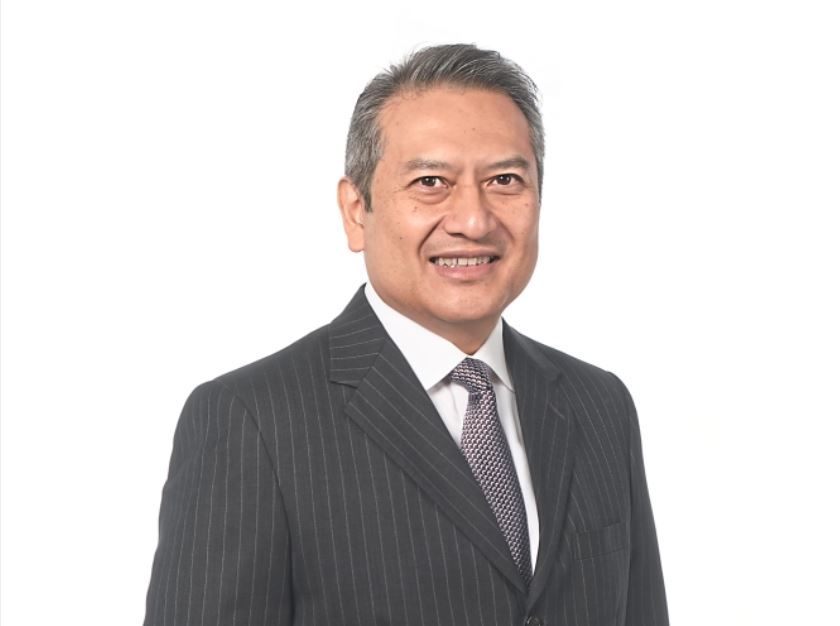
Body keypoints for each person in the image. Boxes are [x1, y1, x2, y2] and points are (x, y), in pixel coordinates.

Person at [143, 43, 669, 626]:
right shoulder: (252, 421)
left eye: (504, 179)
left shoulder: (600, 405)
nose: (473, 220)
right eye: (430, 181)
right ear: (355, 210)